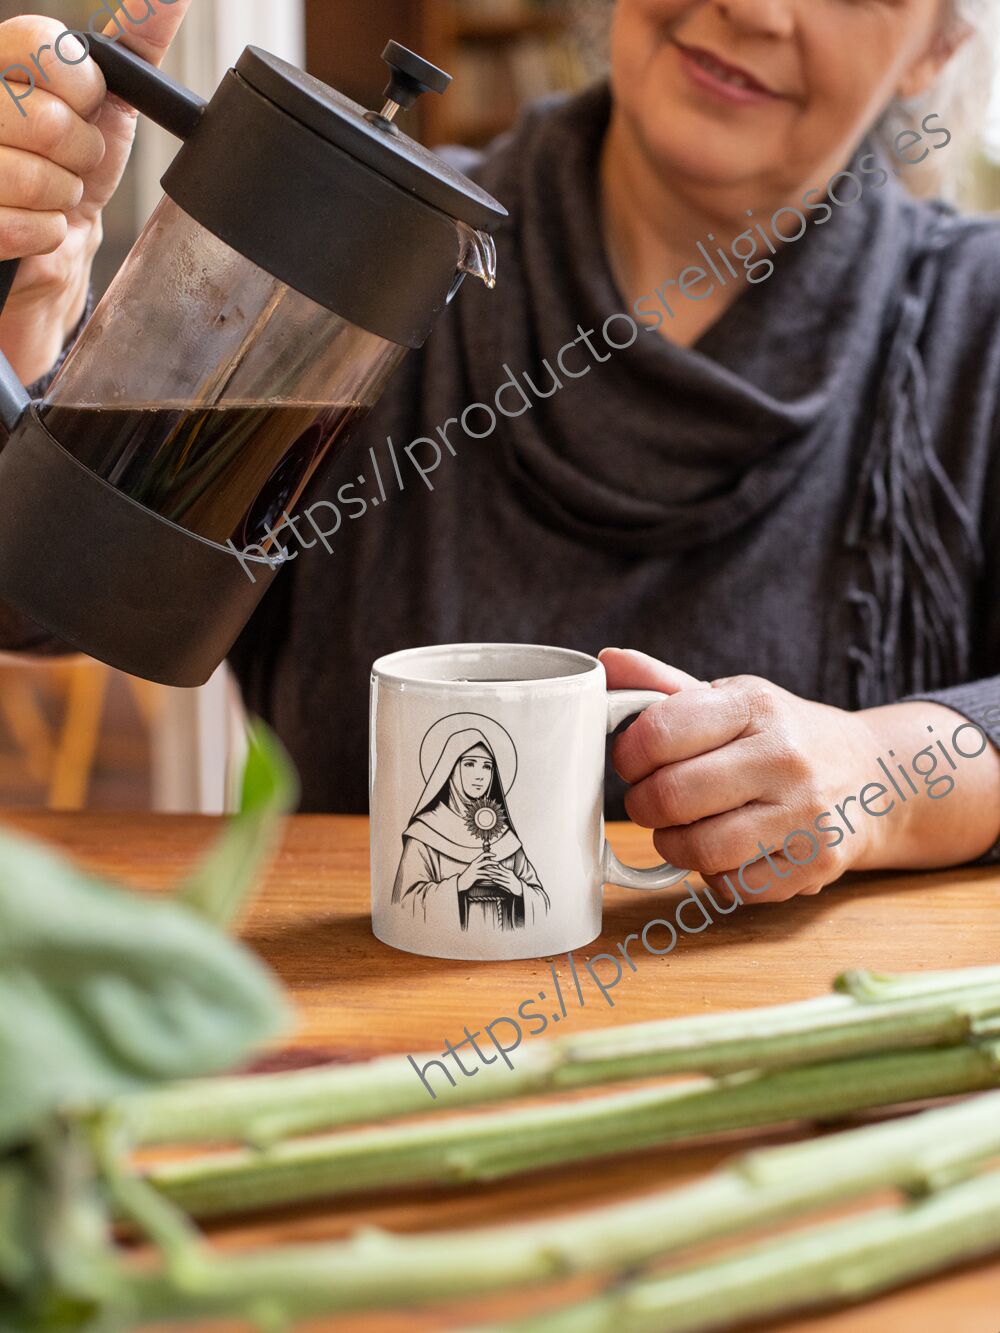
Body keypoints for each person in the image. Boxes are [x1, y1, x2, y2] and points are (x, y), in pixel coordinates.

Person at [0, 0, 998, 906]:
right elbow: (39, 590)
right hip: (366, 1043)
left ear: (939, 47)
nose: (750, 7)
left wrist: (882, 775)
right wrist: (28, 326)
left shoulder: (975, 327)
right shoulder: (370, 254)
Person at [391, 721, 549, 936]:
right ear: (451, 768)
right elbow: (404, 904)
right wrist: (459, 884)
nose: (480, 775)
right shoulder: (425, 832)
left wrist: (518, 887)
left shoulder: (504, 836)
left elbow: (543, 901)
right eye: (469, 764)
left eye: (487, 766)